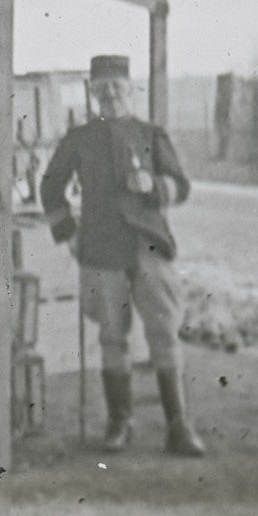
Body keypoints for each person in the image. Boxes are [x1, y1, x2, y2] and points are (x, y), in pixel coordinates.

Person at [39, 54, 207, 458]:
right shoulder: (79, 139)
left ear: (131, 90)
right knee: (112, 338)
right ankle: (119, 423)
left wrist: (155, 186)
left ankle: (179, 426)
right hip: (101, 250)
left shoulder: (152, 134)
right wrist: (69, 234)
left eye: (117, 86)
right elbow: (50, 187)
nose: (110, 94)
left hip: (150, 248)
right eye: (102, 89)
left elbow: (182, 186)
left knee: (164, 335)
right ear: (93, 94)